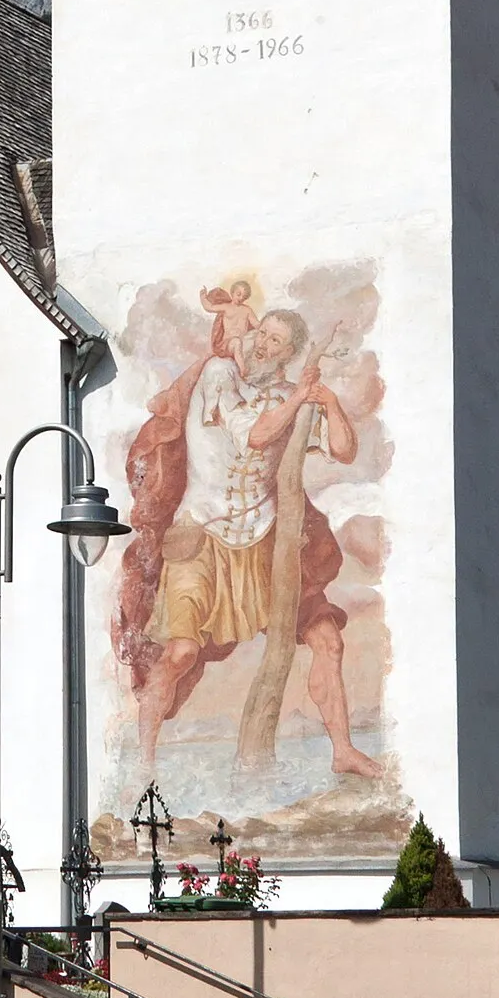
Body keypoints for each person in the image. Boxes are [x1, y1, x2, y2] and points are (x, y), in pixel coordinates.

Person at [131, 294, 380, 781]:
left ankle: (344, 749)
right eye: (261, 334)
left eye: (276, 342)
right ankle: (143, 764)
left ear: (289, 355)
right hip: (200, 533)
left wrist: (325, 401)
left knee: (326, 638)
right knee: (180, 651)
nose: (262, 345)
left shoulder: (286, 397)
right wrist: (299, 397)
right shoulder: (217, 376)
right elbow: (258, 435)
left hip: (264, 540)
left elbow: (344, 451)